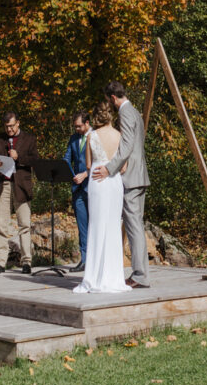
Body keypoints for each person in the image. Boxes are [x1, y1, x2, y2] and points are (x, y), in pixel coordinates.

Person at [92, 80, 150, 288]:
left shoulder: (125, 113)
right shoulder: (135, 111)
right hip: (140, 174)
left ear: (113, 98)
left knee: (134, 226)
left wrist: (109, 168)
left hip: (131, 176)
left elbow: (126, 147)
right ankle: (140, 273)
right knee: (137, 226)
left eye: (110, 100)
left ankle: (140, 275)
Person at [72, 99, 131, 294]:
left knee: (96, 226)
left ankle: (94, 277)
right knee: (113, 226)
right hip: (114, 182)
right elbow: (123, 167)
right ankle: (113, 277)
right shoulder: (119, 136)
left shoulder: (92, 136)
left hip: (97, 182)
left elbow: (89, 165)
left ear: (96, 116)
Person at [0, 110, 38, 274]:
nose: (9, 130)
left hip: (21, 185)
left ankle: (26, 262)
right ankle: (0, 262)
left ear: (18, 123)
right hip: (4, 184)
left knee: (24, 224)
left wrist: (19, 157)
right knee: (2, 225)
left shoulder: (29, 139)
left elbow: (35, 160)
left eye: (11, 126)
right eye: (6, 126)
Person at [63, 111, 91, 272]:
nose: (77, 129)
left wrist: (85, 174)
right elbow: (67, 159)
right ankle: (84, 259)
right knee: (82, 227)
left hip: (93, 186)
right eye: (75, 127)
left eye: (79, 126)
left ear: (87, 123)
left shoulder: (96, 136)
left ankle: (96, 261)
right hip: (78, 189)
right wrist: (70, 174)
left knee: (96, 225)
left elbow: (101, 161)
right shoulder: (74, 138)